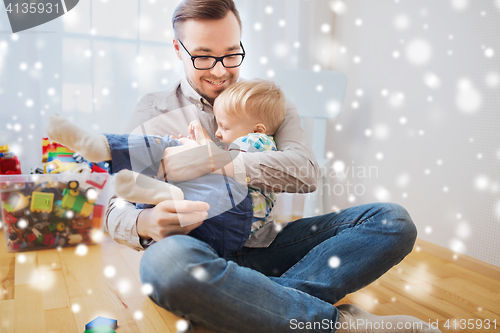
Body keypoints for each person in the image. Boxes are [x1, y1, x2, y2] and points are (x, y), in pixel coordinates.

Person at [105, 1, 441, 332]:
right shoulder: (154, 110)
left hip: (267, 246)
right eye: (204, 56)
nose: (221, 70)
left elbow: (306, 172)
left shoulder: (265, 103)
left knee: (392, 221)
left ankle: (251, 304)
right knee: (166, 264)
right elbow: (114, 207)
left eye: (232, 53)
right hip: (195, 249)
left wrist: (222, 161)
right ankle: (334, 324)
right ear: (178, 49)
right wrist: (147, 221)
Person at [44, 79, 287, 258]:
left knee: (178, 150)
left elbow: (227, 164)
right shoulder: (155, 106)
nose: (218, 132)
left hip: (237, 221)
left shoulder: (260, 142)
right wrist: (189, 148)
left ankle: (112, 153)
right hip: (214, 214)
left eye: (225, 127)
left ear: (258, 129)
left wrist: (198, 146)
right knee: (168, 144)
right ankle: (103, 147)